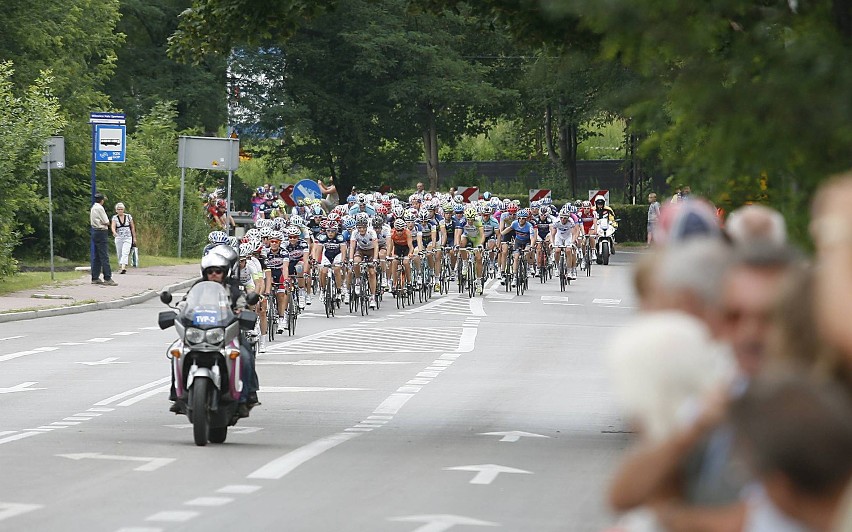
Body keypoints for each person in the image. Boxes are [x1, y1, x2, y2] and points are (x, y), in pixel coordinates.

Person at [90, 192, 116, 286]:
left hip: (95, 231)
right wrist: (105, 223)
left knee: (96, 256)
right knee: (104, 255)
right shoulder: (100, 208)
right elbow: (106, 222)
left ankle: (95, 277)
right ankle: (107, 277)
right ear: (102, 200)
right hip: (101, 232)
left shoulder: (93, 207)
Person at [110, 202, 137, 274]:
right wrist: (114, 232)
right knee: (120, 253)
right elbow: (113, 226)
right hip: (119, 238)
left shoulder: (128, 216)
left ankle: (123, 267)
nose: (120, 210)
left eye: (121, 209)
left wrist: (134, 237)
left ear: (124, 209)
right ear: (116, 210)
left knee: (125, 252)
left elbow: (132, 227)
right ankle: (121, 265)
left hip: (128, 237)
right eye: (118, 209)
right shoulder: (115, 218)